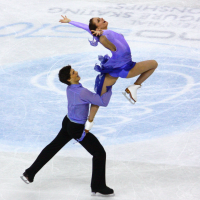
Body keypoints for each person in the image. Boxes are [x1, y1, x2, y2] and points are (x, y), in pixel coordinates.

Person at [20, 65, 114, 197]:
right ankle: (98, 186)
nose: (76, 72)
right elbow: (101, 102)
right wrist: (109, 87)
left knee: (53, 147)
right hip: (76, 128)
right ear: (69, 79)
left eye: (74, 71)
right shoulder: (81, 92)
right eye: (73, 73)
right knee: (99, 153)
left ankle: (29, 173)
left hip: (68, 122)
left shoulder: (70, 88)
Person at [59, 15, 158, 131]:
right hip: (125, 68)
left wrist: (70, 21)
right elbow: (106, 41)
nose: (101, 18)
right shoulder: (103, 35)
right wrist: (101, 35)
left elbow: (86, 27)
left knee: (99, 97)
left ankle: (89, 122)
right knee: (154, 64)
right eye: (98, 20)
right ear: (97, 27)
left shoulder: (102, 32)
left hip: (112, 68)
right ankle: (134, 87)